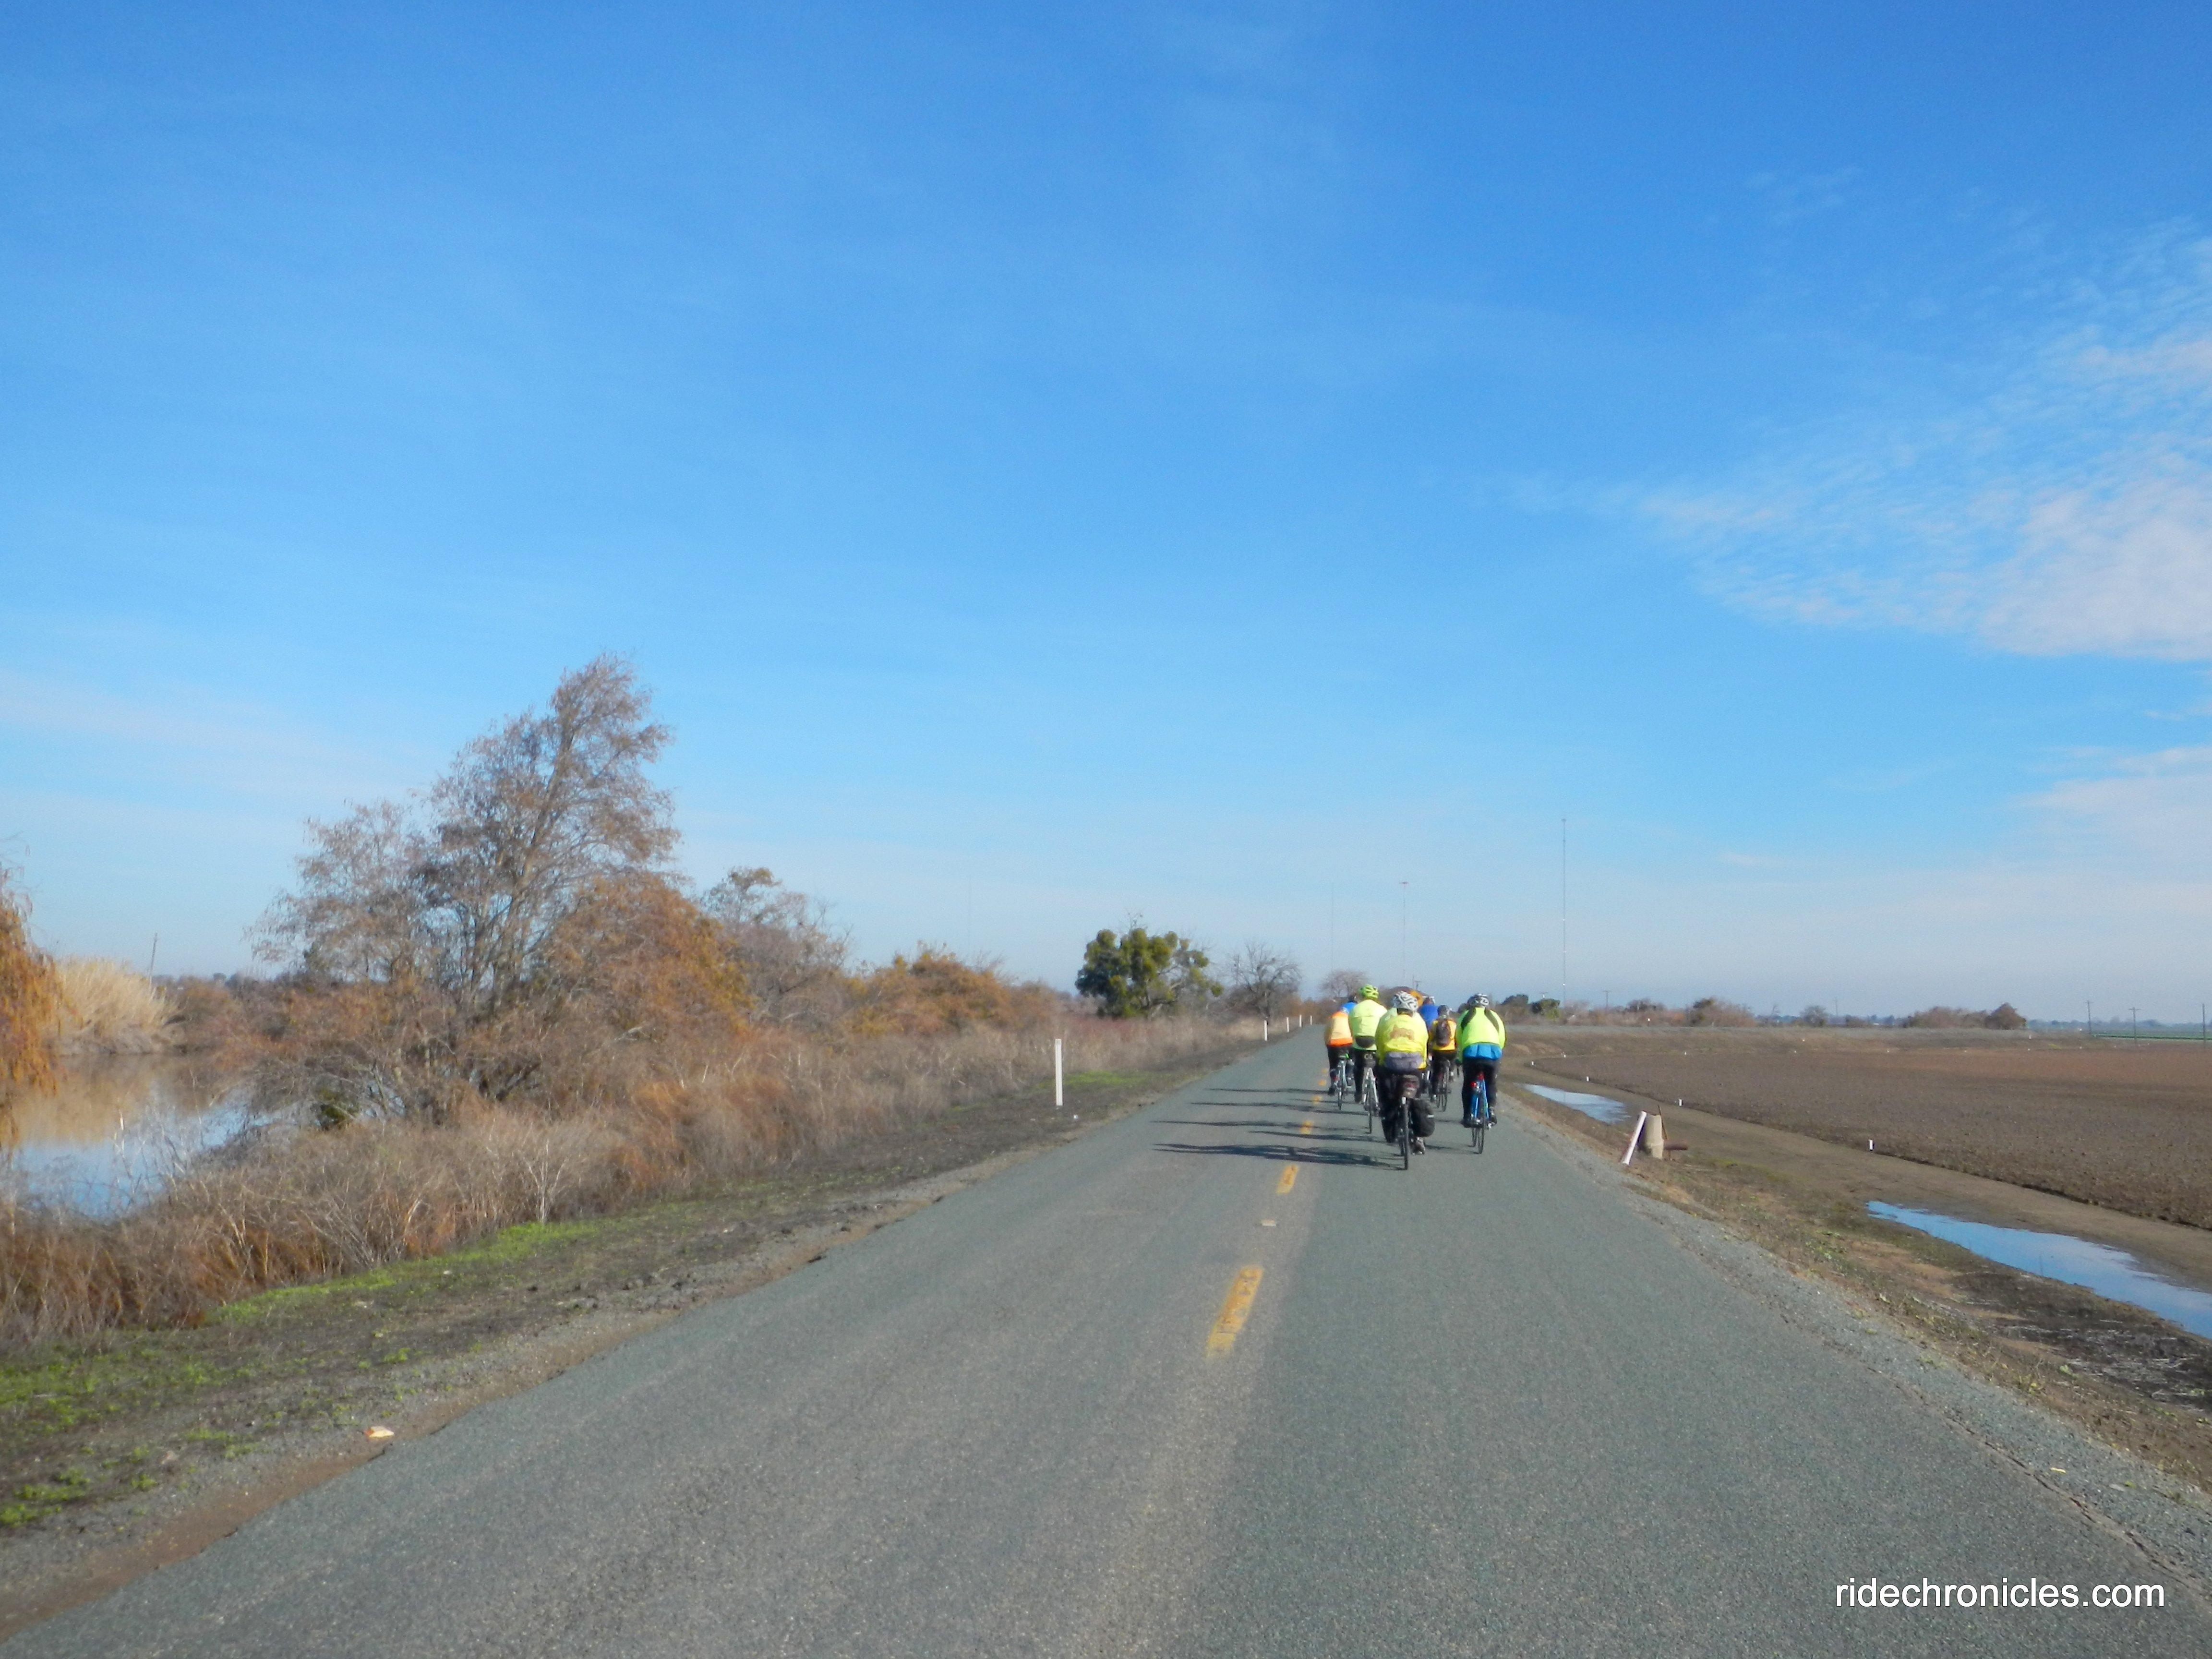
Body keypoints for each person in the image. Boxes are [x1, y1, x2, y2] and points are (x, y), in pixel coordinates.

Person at [1374, 990, 1436, 1152]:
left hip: (1391, 1064)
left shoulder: (1387, 1020)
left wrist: (1381, 1060)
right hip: (1414, 1065)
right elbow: (1424, 1044)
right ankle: (1419, 1137)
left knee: (1388, 1098)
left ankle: (1391, 1129)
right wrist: (1424, 1064)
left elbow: (1379, 1042)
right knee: (1416, 1097)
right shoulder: (1420, 1022)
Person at [1458, 993, 1507, 1127]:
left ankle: (1468, 1115)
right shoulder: (1495, 1016)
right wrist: (1498, 1053)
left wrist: (1460, 1058)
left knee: (1469, 1083)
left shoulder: (1466, 1015)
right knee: (1491, 1083)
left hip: (1471, 1053)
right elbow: (1502, 1037)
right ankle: (1491, 1110)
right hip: (1492, 1053)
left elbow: (1459, 1038)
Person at [1346, 984, 1388, 1103]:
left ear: (1362, 996)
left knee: (1359, 1066)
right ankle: (1380, 1094)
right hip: (1376, 1043)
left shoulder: (1355, 1009)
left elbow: (1351, 1028)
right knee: (1380, 1069)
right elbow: (1386, 1028)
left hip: (1360, 1042)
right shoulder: (1382, 1010)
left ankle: (1359, 1092)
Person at [1426, 1001, 1458, 1100]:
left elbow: (1430, 1038)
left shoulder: (1435, 1023)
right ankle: (1451, 1072)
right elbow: (1457, 1038)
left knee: (1436, 1071)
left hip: (1438, 1051)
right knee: (1453, 1058)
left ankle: (1434, 1093)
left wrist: (1429, 1049)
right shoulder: (1453, 1024)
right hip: (1451, 1051)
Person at [1324, 1002, 1355, 1095]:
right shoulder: (1349, 1018)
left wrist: (1327, 1043)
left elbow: (1327, 1033)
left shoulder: (1332, 1017)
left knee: (1333, 1064)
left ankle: (1334, 1082)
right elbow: (1353, 1031)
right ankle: (1348, 1076)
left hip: (1334, 1044)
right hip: (1347, 1043)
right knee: (1351, 1059)